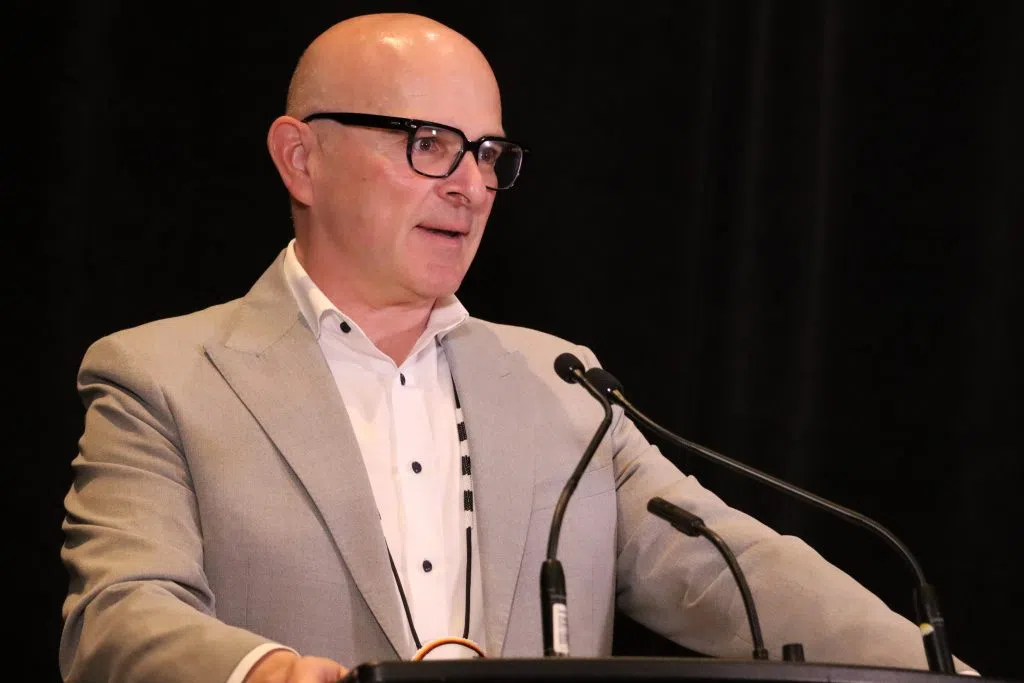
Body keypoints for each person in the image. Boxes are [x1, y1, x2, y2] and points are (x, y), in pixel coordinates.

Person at [59, 12, 975, 683]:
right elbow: (118, 616)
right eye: (429, 143)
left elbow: (733, 569)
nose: (470, 185)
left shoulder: (560, 383)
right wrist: (271, 673)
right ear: (301, 158)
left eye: (490, 155)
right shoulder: (163, 376)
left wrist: (938, 672)